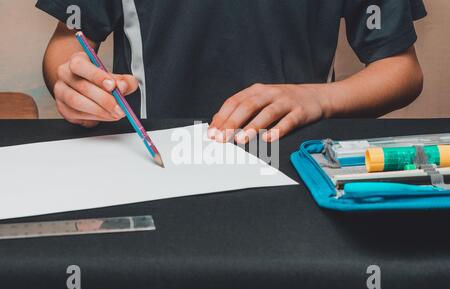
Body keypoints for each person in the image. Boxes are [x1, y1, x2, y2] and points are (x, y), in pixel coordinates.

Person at [37, 0, 426, 144]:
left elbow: (401, 69)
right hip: (153, 153)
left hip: (293, 156)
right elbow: (68, 41)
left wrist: (319, 99)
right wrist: (69, 81)